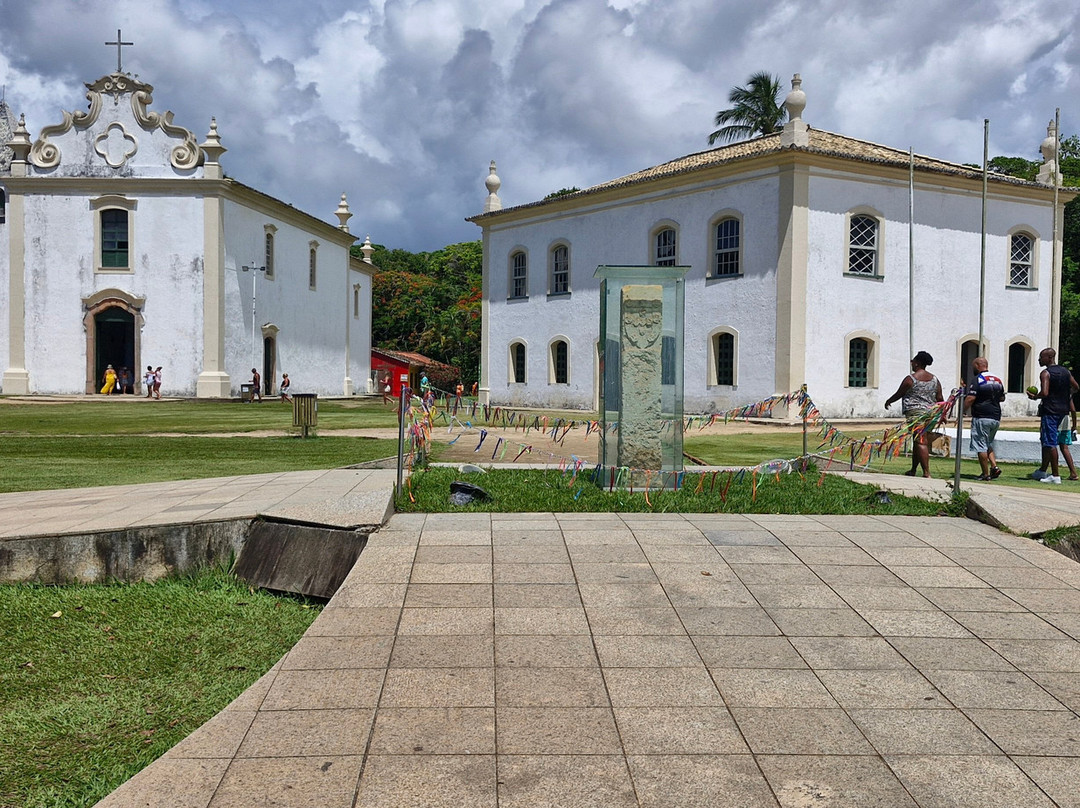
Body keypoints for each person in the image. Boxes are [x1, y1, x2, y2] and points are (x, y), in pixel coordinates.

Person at [884, 350, 944, 478]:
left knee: (921, 441)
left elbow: (899, 393)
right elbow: (940, 398)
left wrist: (889, 401)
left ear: (917, 363)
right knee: (918, 440)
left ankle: (926, 472)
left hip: (916, 413)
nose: (911, 364)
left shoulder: (911, 379)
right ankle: (913, 470)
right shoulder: (935, 380)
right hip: (930, 414)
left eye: (913, 361)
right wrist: (942, 415)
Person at [1027, 348, 1079, 484]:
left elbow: (1044, 392)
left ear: (1049, 358)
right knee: (1049, 441)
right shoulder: (1066, 372)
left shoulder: (1046, 373)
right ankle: (1043, 470)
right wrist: (1065, 395)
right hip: (1063, 411)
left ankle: (1055, 475)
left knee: (1050, 443)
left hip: (1050, 411)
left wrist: (1034, 397)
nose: (1039, 360)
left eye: (1041, 357)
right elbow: (1076, 387)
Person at [963, 357, 1005, 481]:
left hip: (981, 416)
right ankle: (994, 466)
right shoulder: (997, 380)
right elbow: (1002, 398)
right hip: (995, 417)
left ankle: (985, 474)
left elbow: (970, 398)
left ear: (977, 365)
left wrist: (962, 411)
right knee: (987, 443)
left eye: (973, 366)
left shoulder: (977, 380)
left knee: (981, 446)